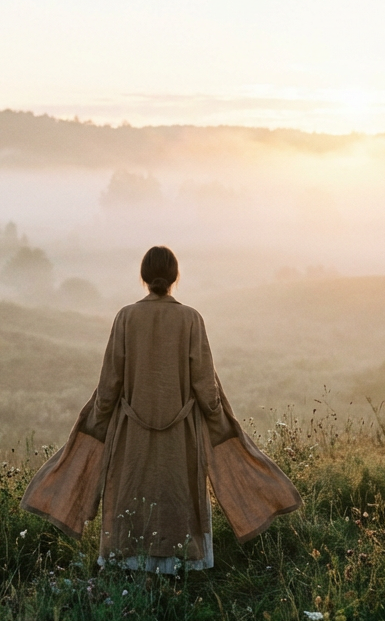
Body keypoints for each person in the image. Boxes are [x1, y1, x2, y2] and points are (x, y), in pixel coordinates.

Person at [21, 245, 302, 572]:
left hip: (131, 434)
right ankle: (181, 564)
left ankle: (129, 564)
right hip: (181, 434)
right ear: (174, 278)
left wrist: (96, 423)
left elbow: (110, 383)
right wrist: (218, 422)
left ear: (143, 277)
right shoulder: (191, 319)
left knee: (130, 495)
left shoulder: (126, 317)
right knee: (178, 494)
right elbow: (205, 385)